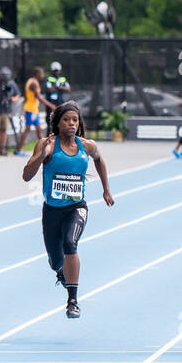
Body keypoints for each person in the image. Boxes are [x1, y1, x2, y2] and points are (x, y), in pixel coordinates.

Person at [21, 100, 115, 319]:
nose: (72, 124)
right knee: (55, 260)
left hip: (77, 208)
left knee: (70, 244)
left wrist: (106, 190)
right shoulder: (47, 144)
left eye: (75, 120)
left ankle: (72, 300)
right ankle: (61, 273)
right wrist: (41, 156)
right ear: (57, 122)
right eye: (66, 120)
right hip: (52, 210)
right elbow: (26, 175)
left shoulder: (86, 145)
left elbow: (100, 160)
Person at [15, 67, 44, 156]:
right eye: (42, 73)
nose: (43, 75)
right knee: (27, 130)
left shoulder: (32, 81)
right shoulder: (33, 83)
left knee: (39, 130)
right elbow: (39, 97)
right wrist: (51, 106)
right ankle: (18, 150)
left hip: (34, 110)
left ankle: (45, 150)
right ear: (37, 74)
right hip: (30, 110)